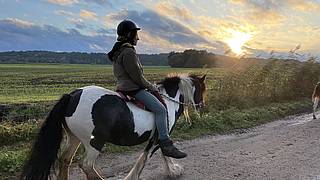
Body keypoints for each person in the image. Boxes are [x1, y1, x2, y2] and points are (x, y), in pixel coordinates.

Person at [107, 20, 187, 159]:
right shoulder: (129, 52)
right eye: (136, 34)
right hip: (133, 89)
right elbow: (137, 77)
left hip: (122, 88)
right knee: (161, 109)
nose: (138, 37)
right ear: (129, 34)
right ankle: (165, 143)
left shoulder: (118, 51)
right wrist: (152, 87)